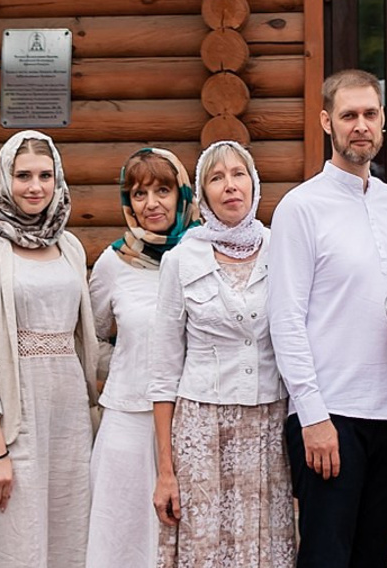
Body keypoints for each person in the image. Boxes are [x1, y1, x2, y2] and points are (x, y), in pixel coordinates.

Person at [267, 70, 387, 568]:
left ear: (383, 122)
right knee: (326, 558)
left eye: (370, 115)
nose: (361, 125)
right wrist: (312, 415)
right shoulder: (301, 207)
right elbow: (285, 318)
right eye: (349, 115)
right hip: (330, 415)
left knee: (373, 557)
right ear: (326, 121)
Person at [0, 129, 101, 568]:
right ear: (3, 178)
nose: (35, 187)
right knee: (12, 543)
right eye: (23, 175)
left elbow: (81, 338)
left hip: (69, 418)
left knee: (67, 539)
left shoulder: (68, 245)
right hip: (16, 421)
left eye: (45, 176)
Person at [149, 138, 293, 568]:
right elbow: (162, 370)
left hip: (267, 423)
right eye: (216, 178)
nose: (230, 186)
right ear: (203, 194)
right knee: (205, 547)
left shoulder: (281, 248)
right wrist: (165, 471)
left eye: (238, 174)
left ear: (254, 183)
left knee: (263, 546)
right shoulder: (181, 259)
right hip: (202, 427)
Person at [87, 147, 197, 568]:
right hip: (128, 423)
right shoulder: (114, 264)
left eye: (163, 190)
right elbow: (92, 337)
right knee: (123, 539)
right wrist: (125, 370)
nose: (151, 204)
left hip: (190, 422)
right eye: (138, 193)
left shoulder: (201, 254)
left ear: (182, 195)